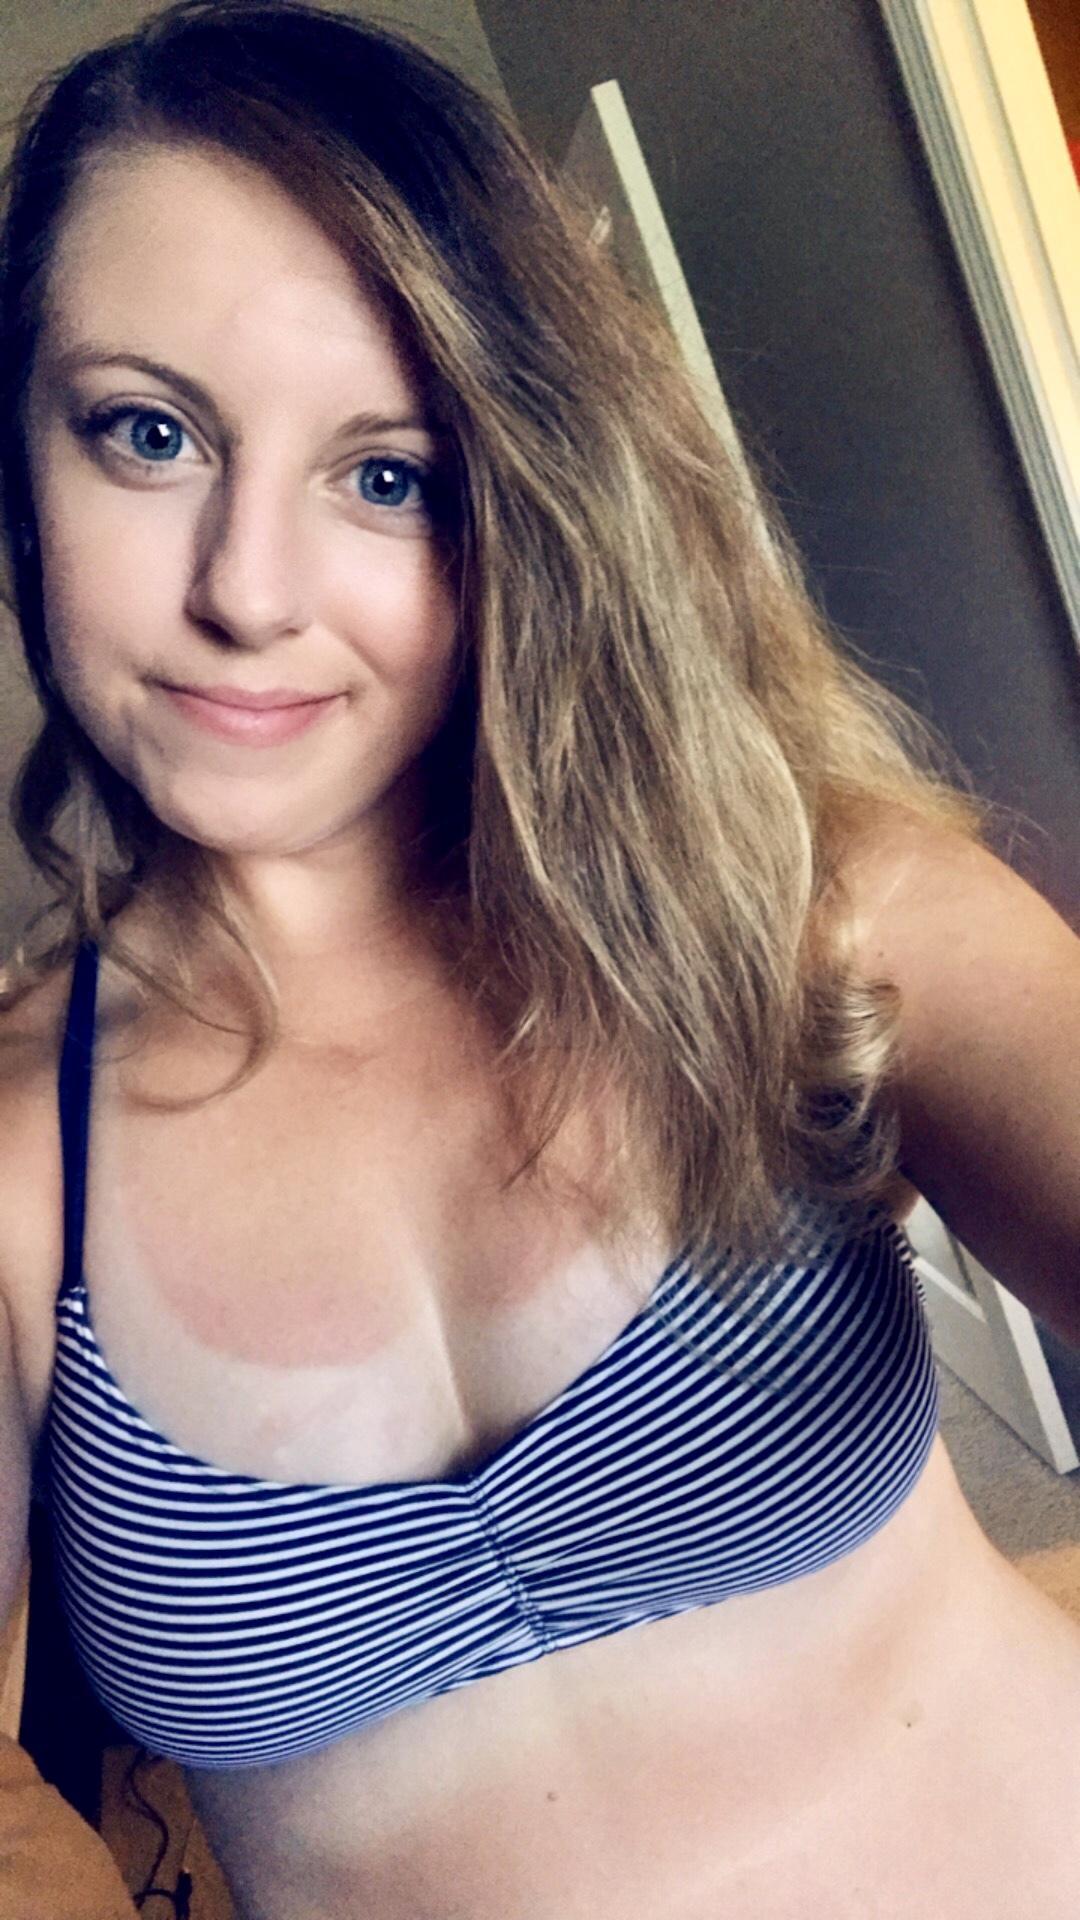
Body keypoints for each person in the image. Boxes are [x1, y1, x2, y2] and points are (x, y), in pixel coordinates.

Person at [0, 2, 1078, 1915]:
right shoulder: (17, 1170)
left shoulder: (801, 914)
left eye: (385, 472)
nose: (246, 588)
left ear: (520, 495)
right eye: (148, 433)